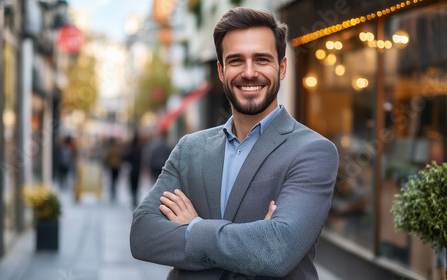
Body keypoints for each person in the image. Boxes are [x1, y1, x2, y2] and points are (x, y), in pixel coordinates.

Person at [130, 7, 338, 280]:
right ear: (221, 70)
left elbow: (277, 250)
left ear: (283, 67)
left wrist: (194, 227)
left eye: (262, 59)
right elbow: (143, 235)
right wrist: (253, 242)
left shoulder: (313, 151)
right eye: (236, 60)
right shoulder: (190, 148)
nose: (249, 73)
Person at [124, 132, 143, 208]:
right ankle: (135, 198)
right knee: (137, 184)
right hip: (138, 169)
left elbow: (126, 158)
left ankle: (133, 197)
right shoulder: (140, 149)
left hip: (132, 169)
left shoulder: (130, 149)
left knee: (132, 184)